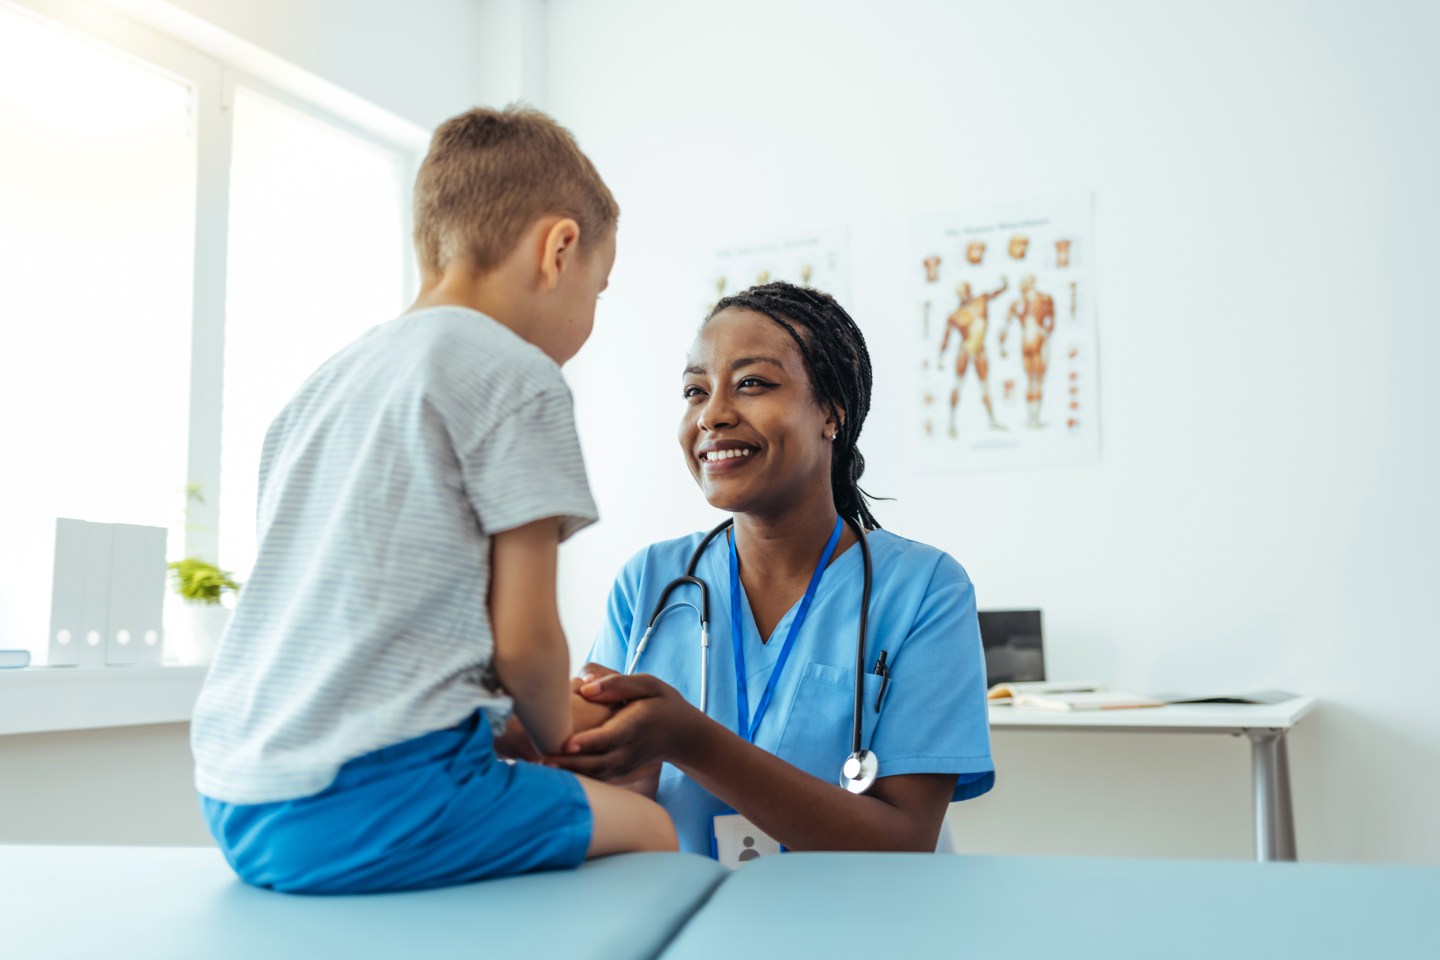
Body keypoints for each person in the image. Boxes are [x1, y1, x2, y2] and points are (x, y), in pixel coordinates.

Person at [189, 106, 676, 895]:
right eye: (600, 288)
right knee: (650, 830)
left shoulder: (324, 385)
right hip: (371, 797)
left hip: (237, 797)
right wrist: (561, 739)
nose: (591, 317)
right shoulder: (517, 377)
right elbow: (525, 642)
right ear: (559, 250)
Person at [552, 282, 994, 857]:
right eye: (695, 391)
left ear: (832, 411)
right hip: (686, 923)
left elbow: (905, 839)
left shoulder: (924, 588)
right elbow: (609, 788)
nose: (712, 414)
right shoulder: (651, 581)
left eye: (752, 384)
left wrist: (693, 742)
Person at [939, 278, 1009, 435]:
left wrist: (1004, 286)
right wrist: (940, 358)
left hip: (979, 350)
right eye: (960, 292)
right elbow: (946, 338)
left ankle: (992, 420)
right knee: (958, 385)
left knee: (985, 386)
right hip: (964, 350)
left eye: (965, 291)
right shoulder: (955, 315)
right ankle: (951, 423)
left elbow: (995, 293)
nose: (963, 295)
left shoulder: (981, 301)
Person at [1000, 273, 1056, 428]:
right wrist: (1045, 332)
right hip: (1035, 339)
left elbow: (1005, 326)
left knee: (1032, 380)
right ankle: (1034, 418)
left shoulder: (1027, 301)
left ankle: (1033, 418)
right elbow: (1051, 322)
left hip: (1027, 338)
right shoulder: (1041, 299)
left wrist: (1002, 345)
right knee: (1037, 380)